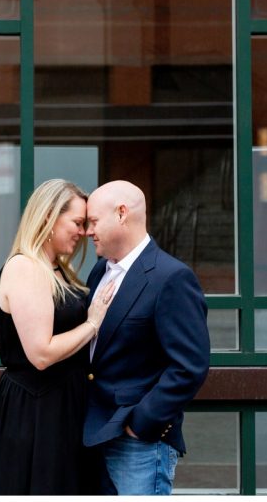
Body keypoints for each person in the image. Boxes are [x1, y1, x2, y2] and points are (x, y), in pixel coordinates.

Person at [0, 178, 117, 495]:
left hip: (61, 406)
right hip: (37, 412)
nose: (84, 232)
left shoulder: (56, 269)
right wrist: (93, 323)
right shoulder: (25, 268)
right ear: (48, 217)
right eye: (77, 222)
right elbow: (41, 354)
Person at [82, 180, 211, 495]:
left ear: (122, 214)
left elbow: (190, 366)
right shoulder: (99, 272)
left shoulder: (172, 277)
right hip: (91, 436)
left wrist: (141, 424)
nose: (87, 231)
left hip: (137, 445)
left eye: (94, 221)